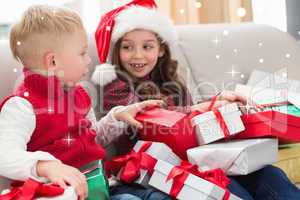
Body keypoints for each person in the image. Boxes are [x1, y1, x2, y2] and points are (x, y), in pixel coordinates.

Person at [91, 0, 300, 199]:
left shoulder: (171, 82)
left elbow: (191, 118)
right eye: (127, 47)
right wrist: (206, 106)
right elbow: (148, 117)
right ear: (117, 50)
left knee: (270, 175)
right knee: (231, 189)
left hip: (196, 159)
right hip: (155, 168)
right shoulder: (114, 85)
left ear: (161, 49)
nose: (138, 55)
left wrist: (221, 105)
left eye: (147, 47)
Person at [0, 5, 163, 200]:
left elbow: (93, 138)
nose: (88, 60)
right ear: (52, 62)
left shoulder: (79, 94)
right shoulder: (22, 106)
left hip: (99, 188)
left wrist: (118, 116)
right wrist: (44, 166)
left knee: (155, 195)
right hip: (63, 195)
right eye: (82, 53)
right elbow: (4, 155)